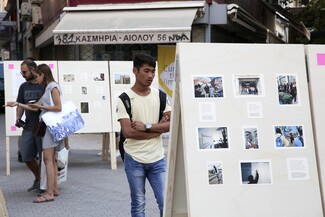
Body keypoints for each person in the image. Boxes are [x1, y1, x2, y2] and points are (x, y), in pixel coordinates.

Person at [117, 53, 171, 217]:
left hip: (158, 159)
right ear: (135, 71)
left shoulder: (160, 96)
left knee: (165, 203)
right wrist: (157, 130)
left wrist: (147, 127)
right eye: (146, 71)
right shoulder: (125, 99)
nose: (150, 75)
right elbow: (128, 132)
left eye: (153, 71)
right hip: (134, 159)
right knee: (138, 204)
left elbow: (171, 124)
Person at [10, 64, 62, 203]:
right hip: (46, 127)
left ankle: (49, 193)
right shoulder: (47, 88)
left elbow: (58, 107)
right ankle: (54, 189)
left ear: (42, 75)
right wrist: (18, 104)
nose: (37, 79)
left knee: (48, 161)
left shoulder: (52, 86)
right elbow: (34, 108)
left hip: (49, 127)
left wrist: (40, 106)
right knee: (49, 160)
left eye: (38, 76)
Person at [5, 59, 43, 193]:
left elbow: (37, 107)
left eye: (25, 72)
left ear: (33, 70)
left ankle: (44, 184)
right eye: (21, 72)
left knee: (45, 157)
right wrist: (18, 117)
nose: (23, 74)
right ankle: (38, 178)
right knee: (26, 156)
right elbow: (19, 103)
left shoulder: (43, 85)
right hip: (29, 126)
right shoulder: (24, 86)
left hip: (43, 126)